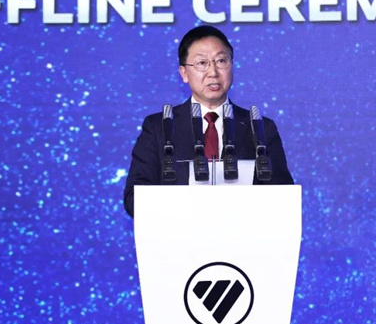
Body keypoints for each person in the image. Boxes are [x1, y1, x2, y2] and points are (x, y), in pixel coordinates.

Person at [123, 25, 293, 217]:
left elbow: (283, 197)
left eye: (221, 61)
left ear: (231, 66)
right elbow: (134, 199)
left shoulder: (260, 127)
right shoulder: (159, 127)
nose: (213, 72)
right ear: (184, 73)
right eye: (202, 63)